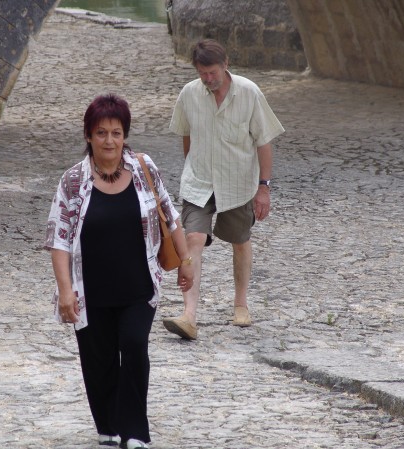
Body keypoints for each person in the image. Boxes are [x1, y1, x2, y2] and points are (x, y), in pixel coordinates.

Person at [44, 94, 193, 449]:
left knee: (134, 345)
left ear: (125, 135)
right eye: (101, 133)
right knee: (99, 360)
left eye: (116, 133)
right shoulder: (72, 182)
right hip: (91, 289)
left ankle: (136, 431)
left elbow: (170, 214)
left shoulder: (143, 168)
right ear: (89, 136)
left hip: (139, 285)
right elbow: (59, 239)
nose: (109, 141)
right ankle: (109, 426)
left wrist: (185, 261)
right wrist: (65, 291)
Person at [163, 39, 285, 340]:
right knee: (192, 238)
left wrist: (264, 188)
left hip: (238, 182)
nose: (208, 79)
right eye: (202, 73)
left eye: (213, 73)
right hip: (199, 181)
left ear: (225, 64)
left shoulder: (249, 93)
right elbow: (187, 136)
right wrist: (191, 167)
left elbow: (264, 142)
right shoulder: (189, 94)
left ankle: (241, 304)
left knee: (240, 241)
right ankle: (189, 315)